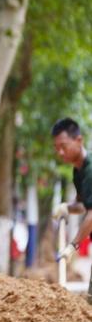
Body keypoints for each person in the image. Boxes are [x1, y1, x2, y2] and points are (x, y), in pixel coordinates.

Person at [51, 118, 92, 304]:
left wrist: (73, 246)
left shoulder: (91, 169)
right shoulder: (78, 171)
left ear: (79, 140)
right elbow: (82, 204)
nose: (60, 152)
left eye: (64, 146)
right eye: (56, 147)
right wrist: (67, 207)